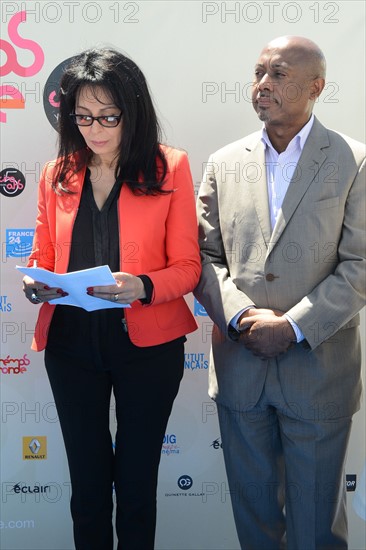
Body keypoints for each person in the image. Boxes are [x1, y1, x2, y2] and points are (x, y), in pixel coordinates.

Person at [22, 47, 201, 550]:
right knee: (88, 485)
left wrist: (141, 286)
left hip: (147, 349)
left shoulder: (171, 168)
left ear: (133, 112)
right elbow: (41, 255)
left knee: (138, 486)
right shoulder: (57, 172)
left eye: (108, 117)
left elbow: (188, 268)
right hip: (71, 346)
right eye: (82, 117)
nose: (94, 130)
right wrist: (36, 284)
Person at [194, 35, 365, 549]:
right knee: (256, 522)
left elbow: (360, 265)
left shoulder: (353, 161)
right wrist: (243, 318)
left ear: (316, 87)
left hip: (318, 372)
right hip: (241, 367)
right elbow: (204, 258)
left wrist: (291, 327)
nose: (263, 84)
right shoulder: (224, 163)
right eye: (259, 72)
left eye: (279, 74)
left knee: (316, 528)